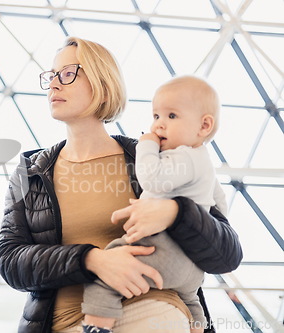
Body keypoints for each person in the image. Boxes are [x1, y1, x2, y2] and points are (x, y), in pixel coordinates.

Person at [0, 37, 242, 333]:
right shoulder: (29, 171)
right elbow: (10, 261)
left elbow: (227, 254)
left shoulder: (157, 157)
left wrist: (177, 213)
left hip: (149, 312)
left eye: (67, 74)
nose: (54, 85)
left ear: (103, 84)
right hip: (58, 324)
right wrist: (91, 259)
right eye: (51, 76)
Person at [81, 75, 227, 333]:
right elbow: (220, 206)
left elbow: (151, 178)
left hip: (163, 249)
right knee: (191, 301)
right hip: (191, 267)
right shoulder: (202, 161)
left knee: (107, 270)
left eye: (171, 116)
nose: (158, 125)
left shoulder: (184, 157)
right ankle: (197, 326)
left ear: (204, 126)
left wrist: (146, 145)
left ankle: (96, 327)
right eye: (156, 116)